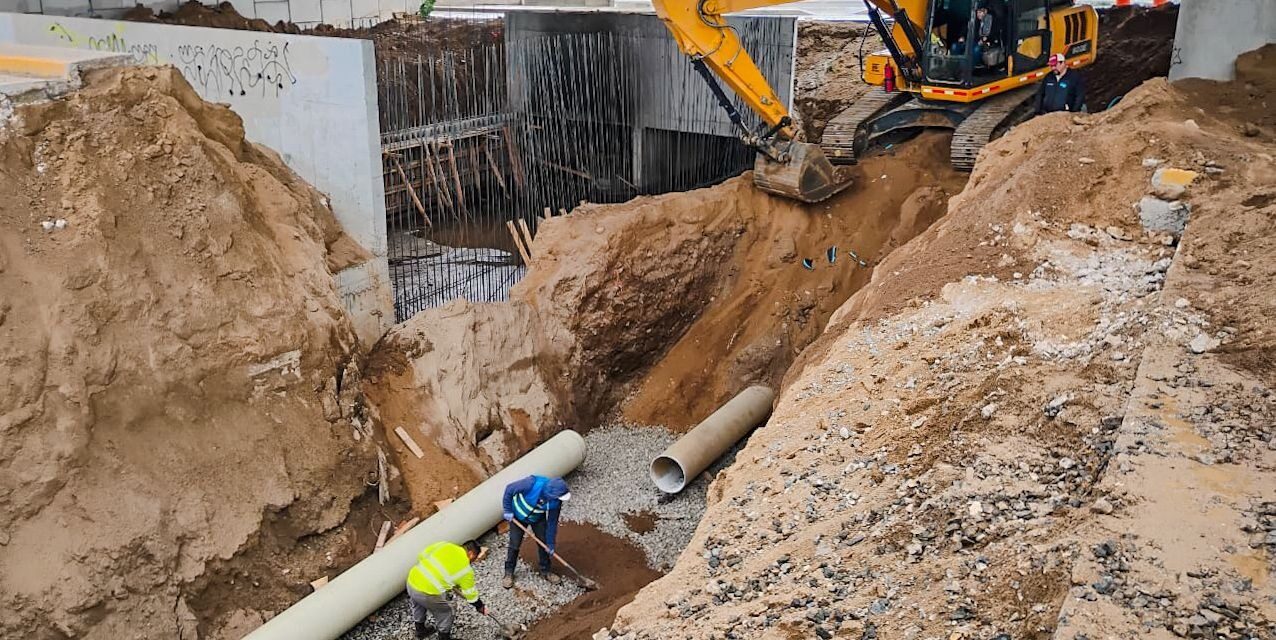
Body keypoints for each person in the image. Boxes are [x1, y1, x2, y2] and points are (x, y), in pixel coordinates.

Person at [405, 540, 486, 640]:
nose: (473, 561)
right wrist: (480, 606)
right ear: (471, 553)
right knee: (448, 610)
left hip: (412, 580)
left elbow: (422, 555)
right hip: (427, 593)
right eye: (474, 558)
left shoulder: (445, 545)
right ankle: (444, 637)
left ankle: (420, 630)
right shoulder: (466, 570)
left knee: (418, 605)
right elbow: (471, 596)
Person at [501, 475, 571, 588]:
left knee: (543, 543)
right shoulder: (531, 483)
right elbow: (509, 489)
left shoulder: (556, 502)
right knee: (514, 544)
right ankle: (509, 572)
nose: (559, 500)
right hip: (517, 516)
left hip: (537, 518)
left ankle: (546, 571)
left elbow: (552, 522)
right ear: (551, 493)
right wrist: (507, 510)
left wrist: (551, 544)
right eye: (558, 497)